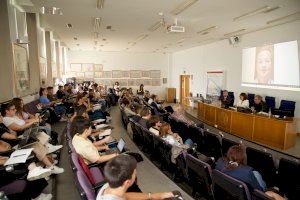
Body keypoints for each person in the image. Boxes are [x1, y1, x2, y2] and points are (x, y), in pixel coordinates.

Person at [96, 155, 177, 200]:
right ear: (127, 182)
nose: (136, 174)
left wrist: (154, 196)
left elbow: (125, 196)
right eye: (135, 173)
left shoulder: (108, 187)